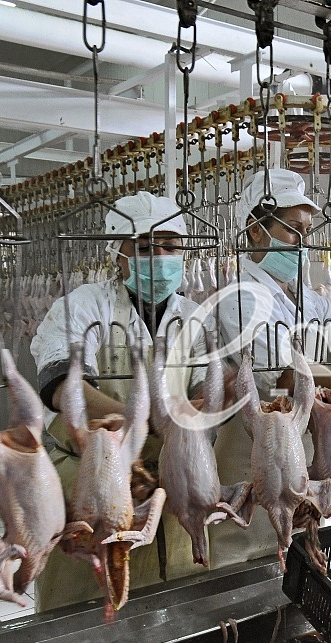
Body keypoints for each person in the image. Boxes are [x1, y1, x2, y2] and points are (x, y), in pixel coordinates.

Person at [31, 191, 214, 612]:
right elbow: (62, 383)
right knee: (84, 609)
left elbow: (205, 387)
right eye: (148, 248)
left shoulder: (194, 316)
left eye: (171, 247)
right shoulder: (82, 306)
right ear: (119, 253)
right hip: (90, 478)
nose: (162, 257)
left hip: (169, 482)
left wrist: (195, 415)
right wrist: (136, 421)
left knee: (172, 611)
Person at [211, 168, 331, 567]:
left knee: (303, 574)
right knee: (249, 575)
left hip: (310, 454)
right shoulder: (237, 299)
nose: (302, 242)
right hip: (256, 458)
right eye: (294, 229)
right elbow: (286, 379)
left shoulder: (309, 299)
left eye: (306, 231)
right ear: (256, 231)